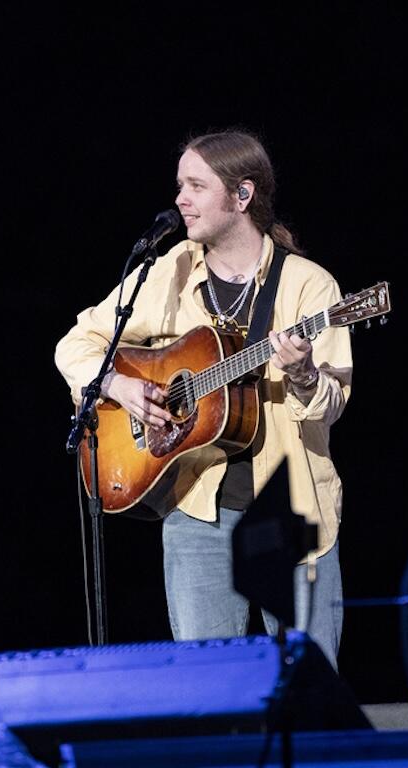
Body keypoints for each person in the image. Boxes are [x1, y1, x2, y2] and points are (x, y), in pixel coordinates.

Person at [54, 130, 352, 667]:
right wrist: (118, 384)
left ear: (242, 196)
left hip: (291, 513)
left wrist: (304, 372)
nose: (180, 199)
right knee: (211, 690)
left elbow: (331, 403)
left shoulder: (310, 286)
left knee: (312, 693)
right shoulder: (169, 271)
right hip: (196, 508)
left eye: (196, 185)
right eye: (179, 185)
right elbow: (77, 343)